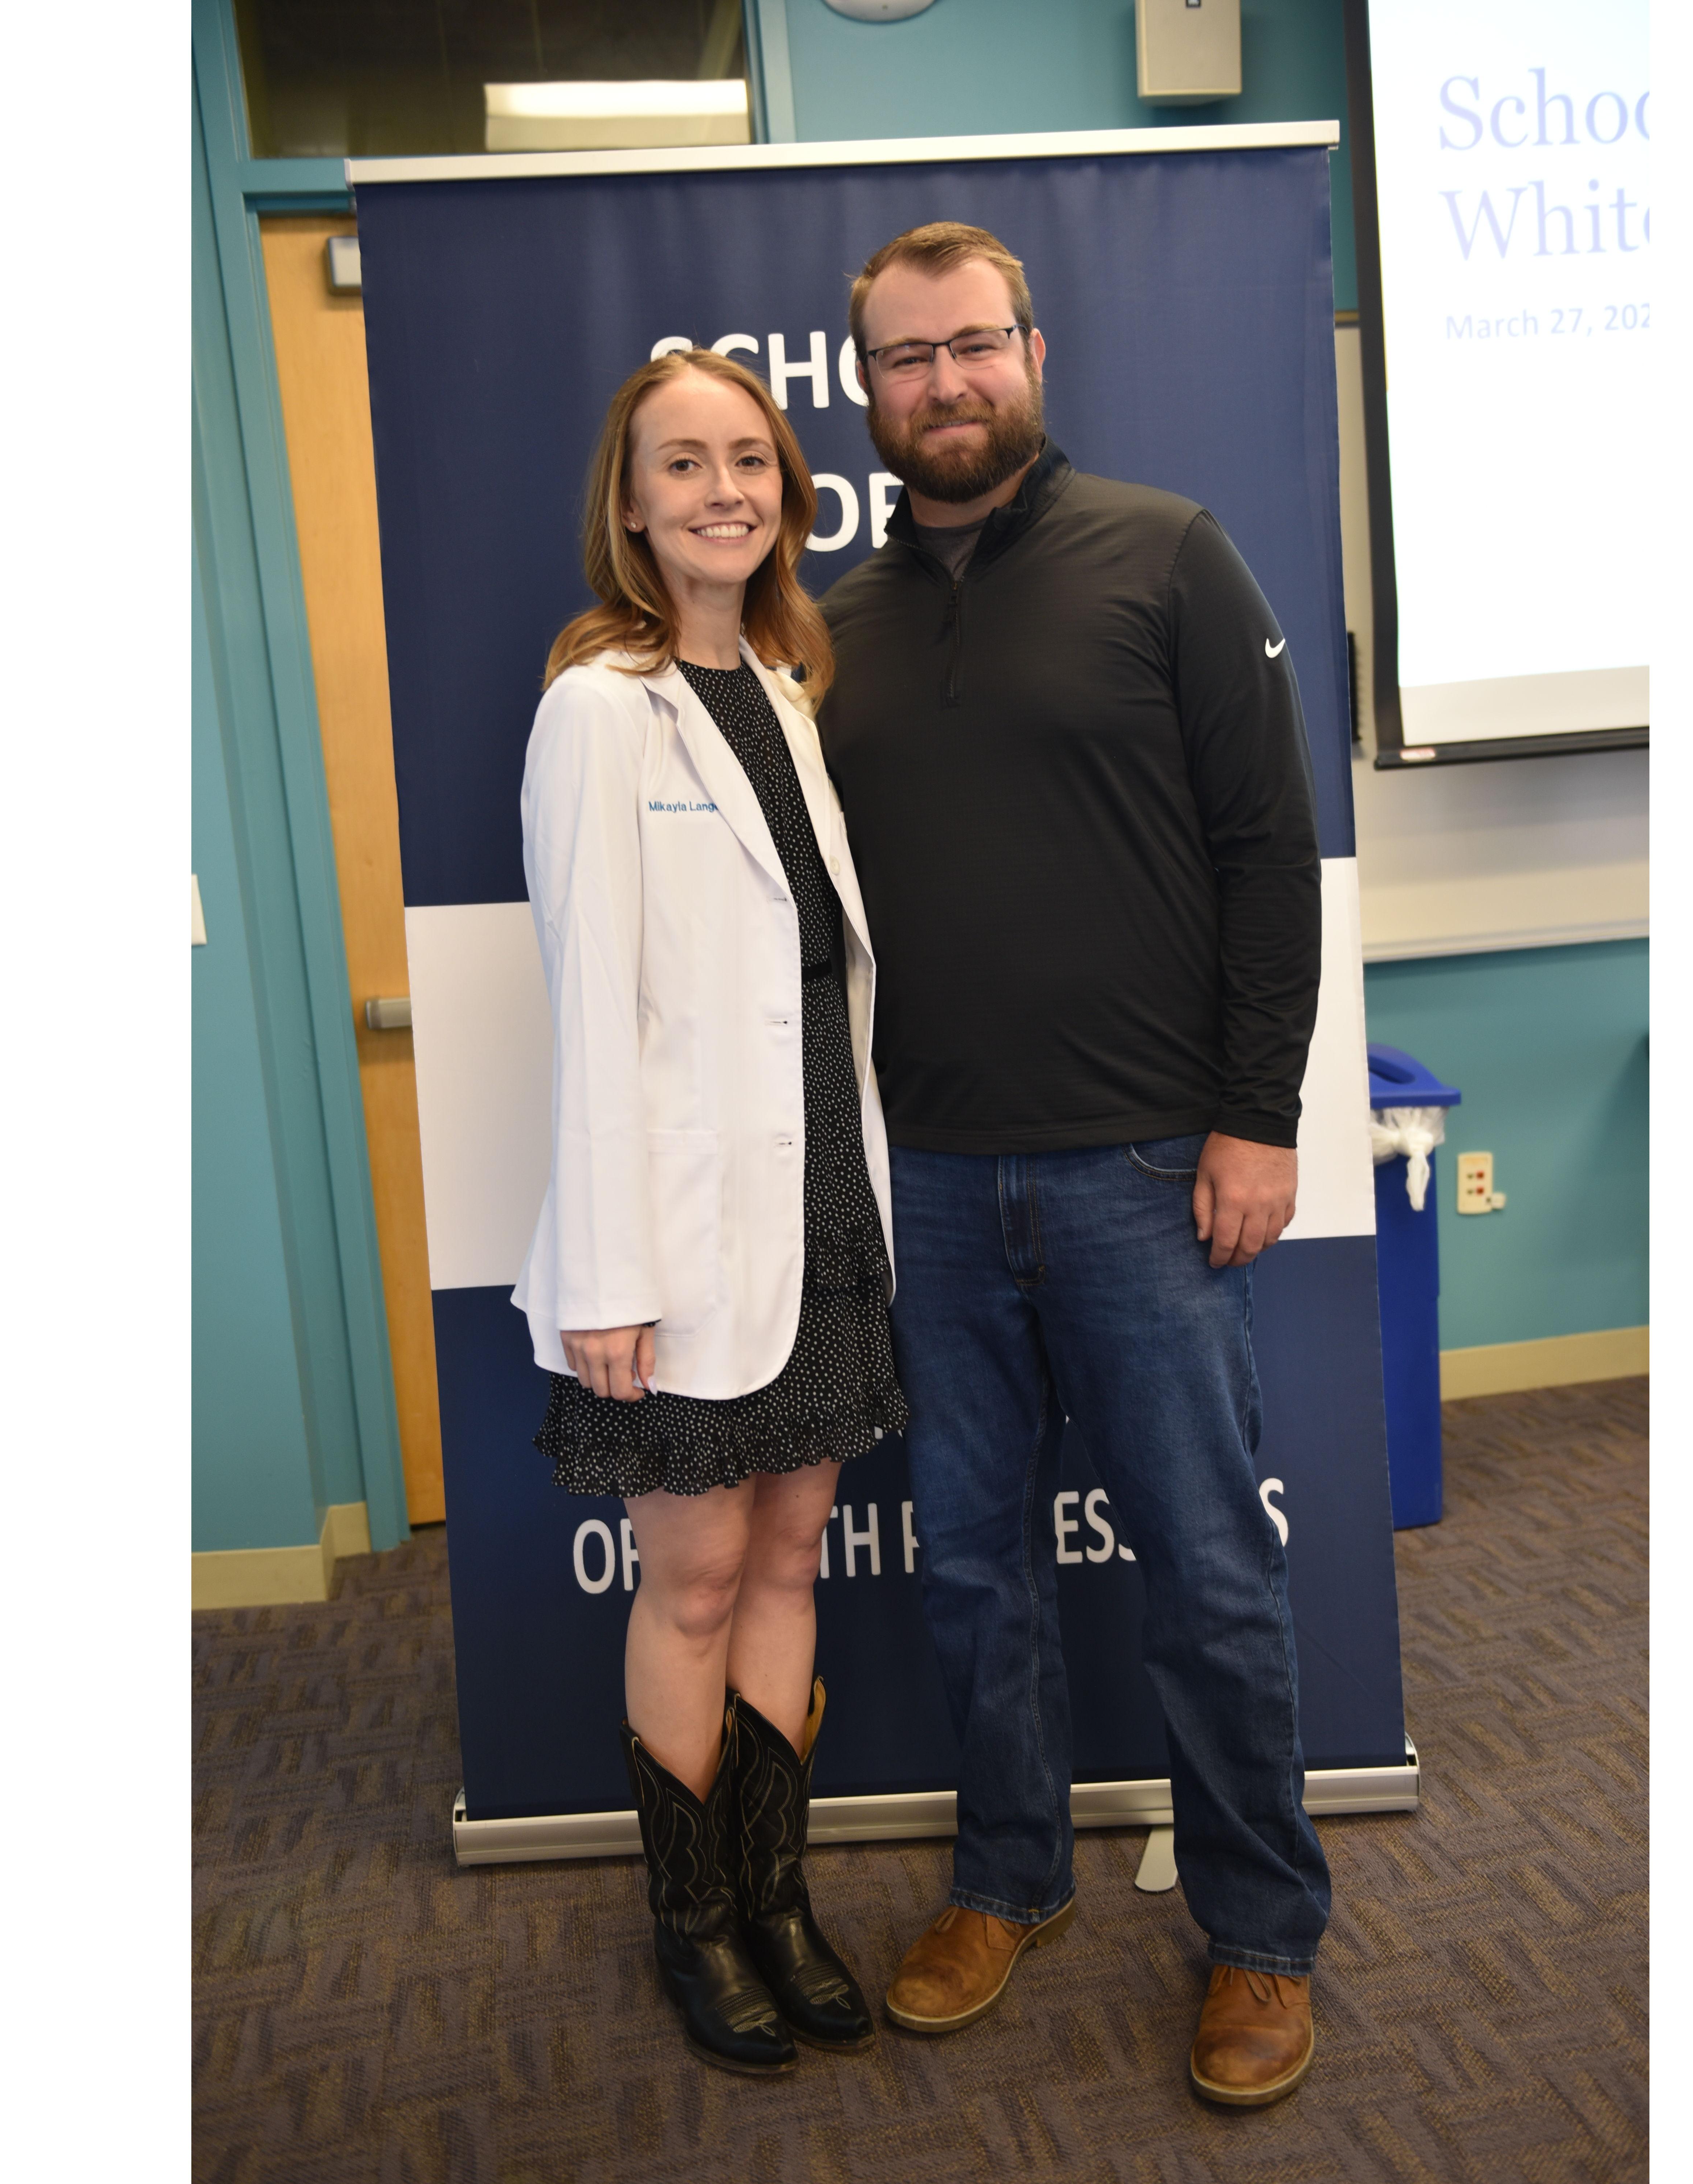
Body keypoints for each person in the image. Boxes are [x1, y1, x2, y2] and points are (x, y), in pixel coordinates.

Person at [815, 223, 1333, 2109]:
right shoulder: (834, 628)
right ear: (863, 386)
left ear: (1033, 351)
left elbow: (1269, 852)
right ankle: (1008, 1882)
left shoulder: (1167, 553)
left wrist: (1258, 1114)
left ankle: (1264, 1937)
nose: (946, 385)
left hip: (1144, 1177)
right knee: (970, 1576)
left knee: (1208, 1577)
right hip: (933, 1189)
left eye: (975, 347)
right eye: (906, 359)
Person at [512, 347, 906, 2078]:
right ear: (632, 500)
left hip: (819, 1211)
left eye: (749, 458)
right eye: (685, 464)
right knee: (688, 1581)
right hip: (671, 1241)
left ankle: (778, 1896)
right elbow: (587, 1002)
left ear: (788, 487)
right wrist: (603, 1265)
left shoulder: (790, 692)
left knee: (790, 1554)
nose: (722, 490)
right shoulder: (604, 705)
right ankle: (696, 1925)